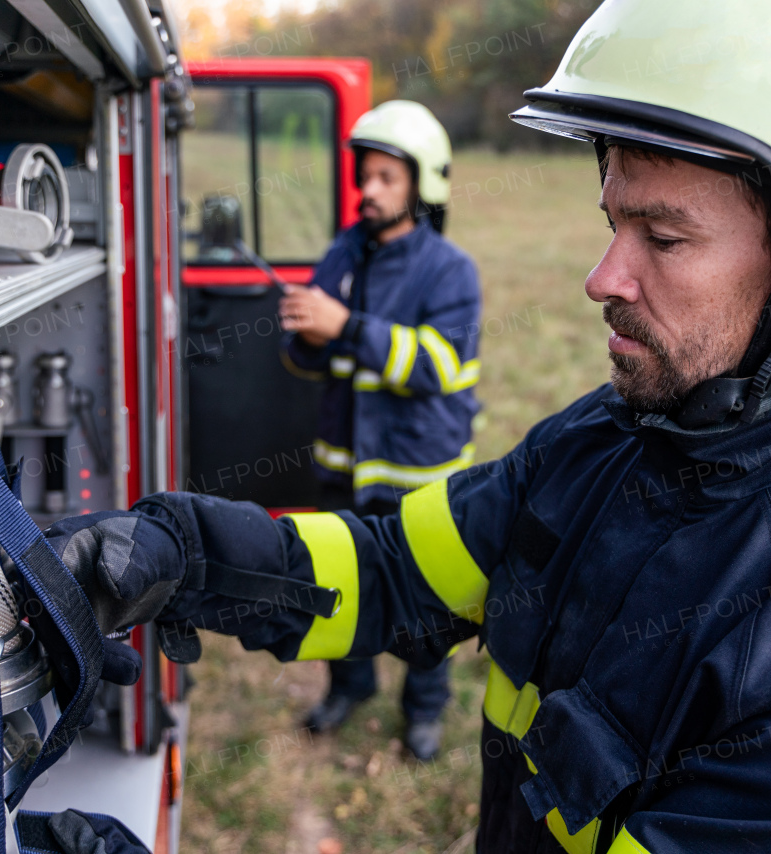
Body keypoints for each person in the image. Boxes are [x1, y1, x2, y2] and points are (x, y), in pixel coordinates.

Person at [47, 1, 771, 851]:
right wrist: (184, 551)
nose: (602, 277)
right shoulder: (603, 443)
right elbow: (390, 571)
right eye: (611, 222)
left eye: (664, 237)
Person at [276, 100, 481, 761]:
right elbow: (303, 358)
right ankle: (350, 687)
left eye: (386, 178)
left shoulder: (451, 270)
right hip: (342, 469)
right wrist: (306, 335)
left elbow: (436, 366)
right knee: (340, 592)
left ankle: (423, 713)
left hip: (419, 474)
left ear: (423, 185)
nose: (368, 190)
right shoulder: (344, 252)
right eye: (366, 176)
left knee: (428, 607)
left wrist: (344, 328)